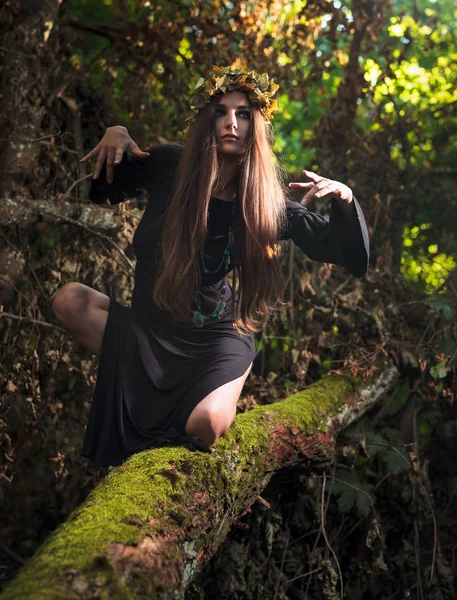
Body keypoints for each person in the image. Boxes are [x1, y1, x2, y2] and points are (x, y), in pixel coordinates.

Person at [51, 66, 369, 468]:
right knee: (69, 301)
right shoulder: (169, 167)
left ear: (257, 127)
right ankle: (150, 386)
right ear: (207, 120)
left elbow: (351, 258)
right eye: (220, 111)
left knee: (208, 424)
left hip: (213, 336)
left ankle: (213, 389)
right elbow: (103, 191)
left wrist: (345, 199)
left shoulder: (266, 206)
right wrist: (116, 133)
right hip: (152, 327)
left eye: (244, 114)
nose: (231, 123)